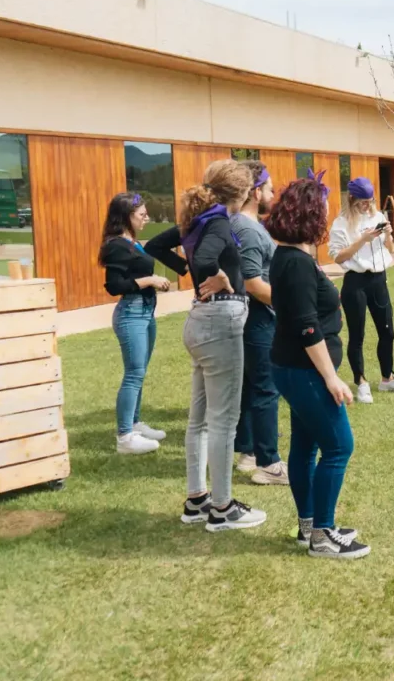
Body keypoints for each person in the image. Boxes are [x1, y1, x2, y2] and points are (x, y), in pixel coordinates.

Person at [144, 159, 266, 532]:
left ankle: (197, 500)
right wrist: (217, 276)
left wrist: (190, 272)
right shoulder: (216, 222)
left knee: (199, 422)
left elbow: (154, 244)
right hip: (220, 323)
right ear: (243, 193)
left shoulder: (197, 219)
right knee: (223, 422)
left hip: (200, 321)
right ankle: (222, 507)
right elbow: (211, 256)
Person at [265, 174, 370, 558]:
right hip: (304, 370)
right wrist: (331, 378)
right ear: (310, 214)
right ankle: (324, 535)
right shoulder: (294, 263)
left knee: (306, 446)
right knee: (339, 446)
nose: (327, 217)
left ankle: (309, 525)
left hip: (294, 368)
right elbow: (308, 328)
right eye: (323, 210)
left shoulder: (294, 257)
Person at [328, 176, 394, 403]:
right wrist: (362, 240)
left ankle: (388, 377)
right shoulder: (341, 223)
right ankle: (361, 381)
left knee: (387, 331)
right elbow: (338, 256)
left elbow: (389, 249)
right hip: (356, 281)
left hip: (379, 279)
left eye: (371, 200)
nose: (368, 205)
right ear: (353, 199)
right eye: (363, 202)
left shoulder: (378, 216)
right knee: (357, 334)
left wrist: (388, 235)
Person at [98, 192, 170, 455]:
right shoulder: (116, 245)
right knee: (133, 374)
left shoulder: (132, 243)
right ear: (126, 217)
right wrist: (150, 280)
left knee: (139, 371)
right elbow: (114, 286)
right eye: (142, 214)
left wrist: (152, 281)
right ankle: (125, 436)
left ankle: (135, 423)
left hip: (145, 313)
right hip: (131, 314)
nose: (146, 218)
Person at [229, 160, 287, 486]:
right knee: (266, 388)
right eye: (268, 188)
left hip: (252, 319)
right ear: (254, 192)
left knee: (250, 387)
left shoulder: (244, 224)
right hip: (258, 319)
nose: (272, 193)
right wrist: (289, 303)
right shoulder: (248, 229)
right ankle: (270, 463)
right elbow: (252, 282)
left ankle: (247, 453)